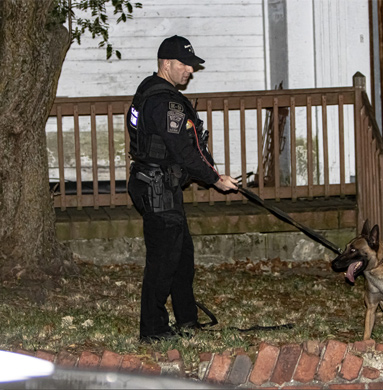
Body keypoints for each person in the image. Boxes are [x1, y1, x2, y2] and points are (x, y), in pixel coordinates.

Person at [126, 35, 238, 343]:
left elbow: (184, 149)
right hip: (157, 187)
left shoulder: (148, 91)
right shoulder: (166, 102)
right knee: (163, 261)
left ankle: (187, 319)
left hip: (160, 184)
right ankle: (153, 329)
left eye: (191, 65)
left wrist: (210, 173)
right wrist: (215, 178)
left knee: (181, 256)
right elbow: (185, 150)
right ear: (166, 64)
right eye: (185, 64)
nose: (190, 70)